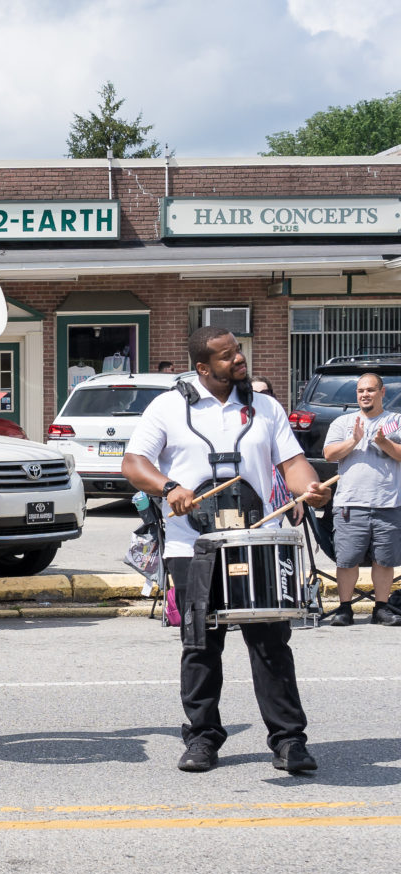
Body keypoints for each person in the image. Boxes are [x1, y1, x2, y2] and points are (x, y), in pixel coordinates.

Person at [122, 326, 332, 774]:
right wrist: (168, 486)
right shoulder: (168, 406)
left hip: (257, 537)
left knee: (270, 641)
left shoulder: (264, 407)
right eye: (227, 355)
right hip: (190, 544)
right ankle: (202, 737)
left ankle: (289, 740)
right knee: (200, 643)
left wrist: (309, 489)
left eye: (238, 350)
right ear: (203, 367)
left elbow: (292, 464)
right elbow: (134, 463)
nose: (238, 359)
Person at [321, 372, 401, 626]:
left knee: (384, 560)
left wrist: (383, 442)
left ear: (382, 392)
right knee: (347, 560)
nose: (365, 394)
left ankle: (381, 608)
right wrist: (354, 440)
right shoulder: (343, 422)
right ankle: (345, 609)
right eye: (360, 391)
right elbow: (329, 454)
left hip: (388, 501)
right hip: (350, 503)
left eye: (370, 390)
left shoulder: (395, 421)